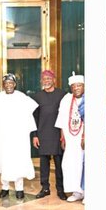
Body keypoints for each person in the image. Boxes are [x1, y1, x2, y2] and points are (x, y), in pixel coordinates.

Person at [0, 73, 38, 199]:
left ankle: (19, 189)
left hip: (18, 136)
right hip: (3, 136)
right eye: (6, 83)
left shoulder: (22, 97)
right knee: (4, 160)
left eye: (11, 83)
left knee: (18, 161)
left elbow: (31, 112)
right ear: (3, 85)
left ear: (15, 84)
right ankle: (4, 188)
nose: (8, 86)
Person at [31, 68, 65, 198]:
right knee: (44, 164)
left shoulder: (62, 95)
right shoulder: (37, 96)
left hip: (57, 134)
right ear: (41, 81)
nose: (47, 81)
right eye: (44, 79)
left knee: (59, 164)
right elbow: (34, 118)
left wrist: (64, 136)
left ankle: (60, 190)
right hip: (42, 133)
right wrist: (35, 135)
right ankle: (45, 188)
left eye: (49, 79)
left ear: (54, 80)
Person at [57, 74, 85, 202]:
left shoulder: (89, 99)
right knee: (70, 165)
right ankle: (76, 192)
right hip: (70, 139)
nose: (76, 88)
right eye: (74, 86)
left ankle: (88, 192)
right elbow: (61, 120)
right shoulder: (66, 100)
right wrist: (63, 138)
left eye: (79, 85)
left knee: (85, 165)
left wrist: (86, 137)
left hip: (84, 140)